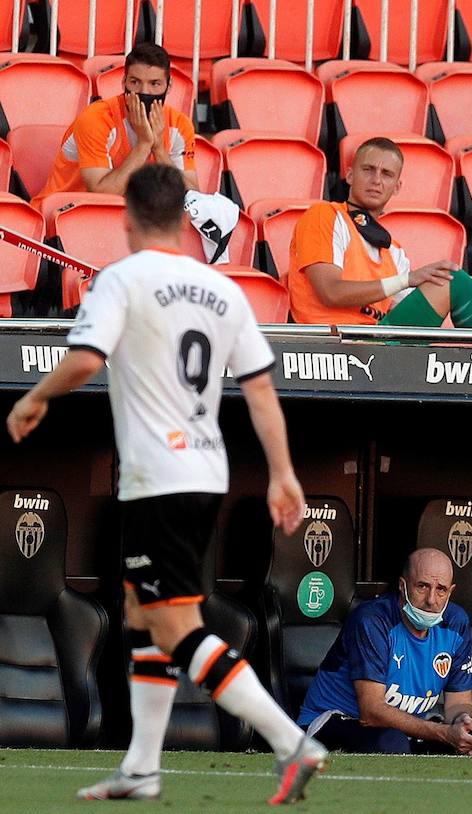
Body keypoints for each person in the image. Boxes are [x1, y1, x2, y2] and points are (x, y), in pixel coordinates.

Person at [6, 164, 328, 804]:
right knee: (143, 616)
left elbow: (86, 359)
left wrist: (34, 398)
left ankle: (290, 742)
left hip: (158, 480)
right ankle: (143, 768)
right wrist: (284, 473)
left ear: (124, 218)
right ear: (185, 219)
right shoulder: (222, 289)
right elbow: (260, 391)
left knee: (176, 626)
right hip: (206, 471)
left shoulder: (121, 279)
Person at [287, 136, 472, 329]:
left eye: (387, 174)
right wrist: (407, 280)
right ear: (350, 176)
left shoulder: (393, 252)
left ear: (397, 186)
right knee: (452, 281)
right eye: (368, 169)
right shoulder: (324, 216)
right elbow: (330, 293)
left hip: (378, 346)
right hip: (328, 344)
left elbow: (413, 312)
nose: (377, 180)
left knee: (449, 279)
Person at [296, 549, 472, 755]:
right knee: (391, 743)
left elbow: (459, 702)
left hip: (404, 727)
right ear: (403, 586)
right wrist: (445, 733)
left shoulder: (456, 622)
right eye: (422, 586)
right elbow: (371, 712)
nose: (431, 600)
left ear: (451, 592)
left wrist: (463, 720)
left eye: (441, 590)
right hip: (335, 721)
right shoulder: (373, 620)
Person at [33, 43, 198, 210]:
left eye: (155, 84)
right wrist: (143, 145)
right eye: (135, 82)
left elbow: (192, 196)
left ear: (169, 87)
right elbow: (102, 195)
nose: (144, 92)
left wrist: (159, 150)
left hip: (128, 219)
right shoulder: (95, 119)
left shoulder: (180, 125)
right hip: (63, 212)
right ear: (124, 82)